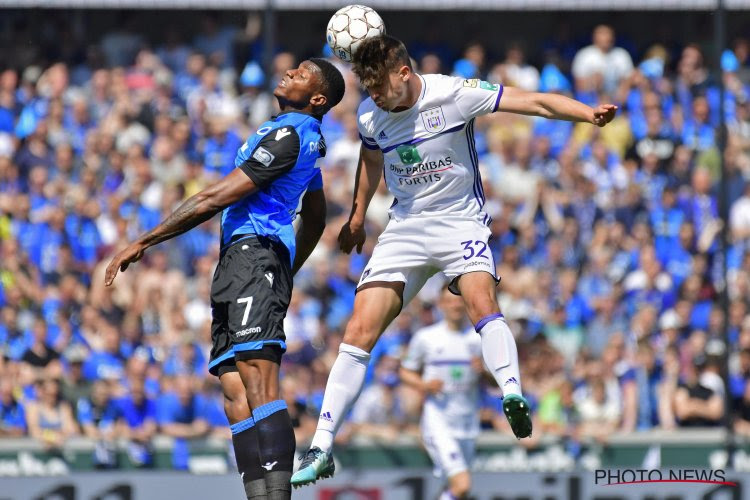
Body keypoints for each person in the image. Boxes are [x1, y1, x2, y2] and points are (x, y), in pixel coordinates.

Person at [292, 34, 617, 487]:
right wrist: (358, 215)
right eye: (370, 92)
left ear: (404, 74)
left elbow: (535, 103)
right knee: (358, 330)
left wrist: (587, 114)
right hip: (405, 228)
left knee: (482, 303)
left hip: (459, 221)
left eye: (381, 89)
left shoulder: (454, 93)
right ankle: (322, 445)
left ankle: (511, 393)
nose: (376, 100)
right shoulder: (370, 114)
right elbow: (371, 160)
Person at [105, 58, 345, 500]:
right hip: (244, 262)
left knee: (257, 379)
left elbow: (216, 197)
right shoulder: (302, 138)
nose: (289, 71)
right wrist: (288, 265)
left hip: (255, 257)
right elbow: (315, 214)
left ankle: (277, 497)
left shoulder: (290, 135)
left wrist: (143, 240)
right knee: (234, 387)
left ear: (317, 98)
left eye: (301, 72)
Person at [399, 286, 483, 500]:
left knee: (457, 489)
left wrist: (484, 371)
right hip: (438, 421)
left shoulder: (478, 339)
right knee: (462, 483)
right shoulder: (427, 337)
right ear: (441, 304)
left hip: (467, 423)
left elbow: (495, 380)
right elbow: (405, 371)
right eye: (450, 301)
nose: (455, 305)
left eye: (459, 300)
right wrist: (424, 385)